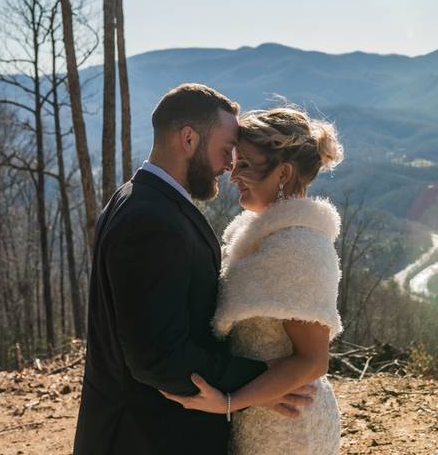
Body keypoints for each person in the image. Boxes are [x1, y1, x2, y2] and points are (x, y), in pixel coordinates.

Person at [74, 84, 315, 455]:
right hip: (148, 436)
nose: (229, 164)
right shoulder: (151, 220)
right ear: (188, 138)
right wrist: (260, 381)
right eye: (225, 149)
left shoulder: (139, 199)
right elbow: (159, 358)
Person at [161, 106, 345, 455]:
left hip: (290, 426)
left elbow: (312, 360)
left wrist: (231, 401)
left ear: (283, 172)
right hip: (261, 413)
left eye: (244, 164)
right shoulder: (260, 238)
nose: (232, 175)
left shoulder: (299, 247)